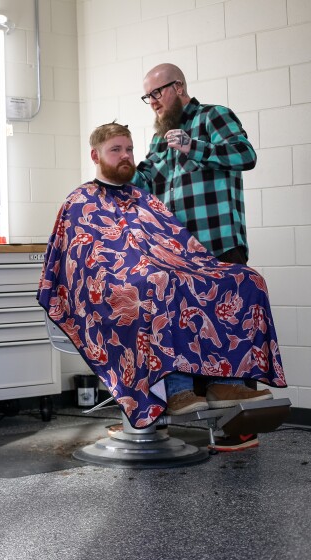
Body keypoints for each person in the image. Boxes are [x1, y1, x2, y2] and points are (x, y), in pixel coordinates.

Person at [38, 122, 284, 437]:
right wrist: (141, 270)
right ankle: (177, 389)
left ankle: (227, 384)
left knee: (244, 279)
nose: (125, 156)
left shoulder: (145, 199)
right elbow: (78, 266)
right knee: (160, 282)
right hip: (109, 292)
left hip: (155, 274)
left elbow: (179, 244)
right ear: (95, 155)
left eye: (129, 149)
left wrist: (190, 267)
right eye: (116, 150)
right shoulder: (80, 201)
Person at [131, 64, 267, 447]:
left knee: (229, 329)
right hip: (180, 253)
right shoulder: (160, 139)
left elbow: (245, 155)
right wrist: (116, 173)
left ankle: (236, 431)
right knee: (186, 331)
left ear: (178, 87)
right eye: (148, 97)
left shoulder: (213, 116)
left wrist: (194, 146)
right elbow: (145, 181)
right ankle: (177, 403)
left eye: (157, 93)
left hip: (220, 243)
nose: (153, 103)